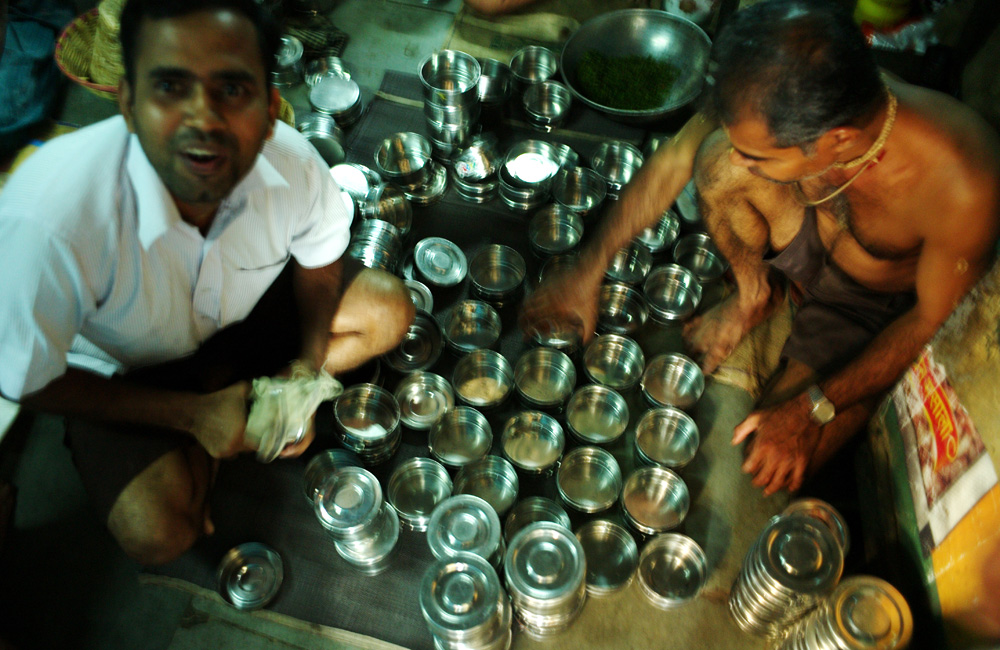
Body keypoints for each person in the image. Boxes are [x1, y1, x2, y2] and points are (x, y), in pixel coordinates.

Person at [521, 0, 999, 496]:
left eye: (760, 156)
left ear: (837, 140)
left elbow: (931, 323)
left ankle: (806, 377)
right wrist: (588, 268)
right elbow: (676, 161)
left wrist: (810, 407)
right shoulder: (773, 82)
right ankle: (754, 297)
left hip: (863, 309)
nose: (744, 161)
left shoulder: (962, 183)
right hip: (806, 240)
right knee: (714, 161)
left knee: (758, 464)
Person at [0, 0, 414, 565]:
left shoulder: (290, 162)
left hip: (241, 318)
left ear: (270, 108)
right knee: (160, 533)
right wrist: (189, 414)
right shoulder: (48, 220)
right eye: (170, 87)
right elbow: (26, 377)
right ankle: (213, 420)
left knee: (390, 312)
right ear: (128, 103)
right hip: (133, 369)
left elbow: (320, 259)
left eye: (232, 90)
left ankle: (234, 409)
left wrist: (304, 372)